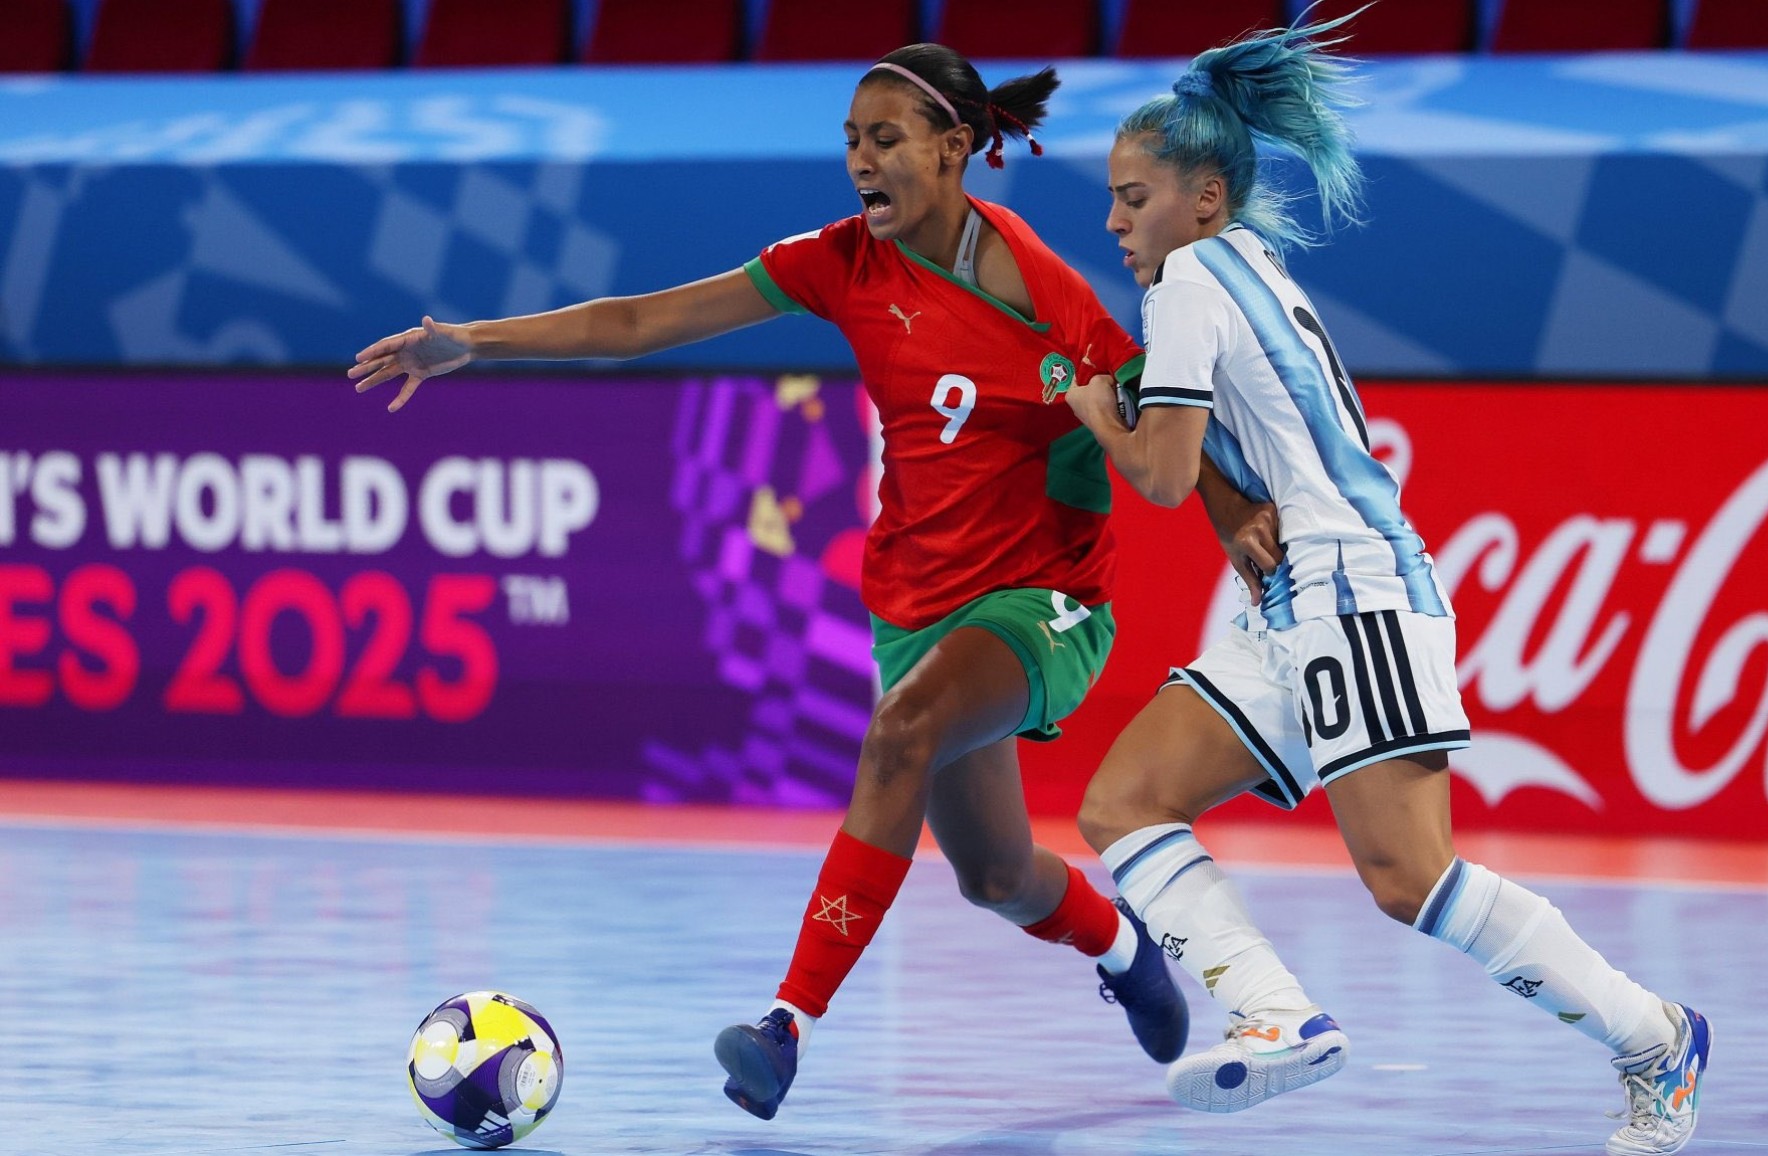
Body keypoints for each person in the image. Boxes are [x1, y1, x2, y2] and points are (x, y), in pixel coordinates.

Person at [349, 44, 1189, 1121]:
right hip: (917, 599)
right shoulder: (839, 262)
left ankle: (786, 1024)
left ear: (954, 148)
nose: (860, 162)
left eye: (884, 140)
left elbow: (1161, 426)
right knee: (994, 872)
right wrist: (475, 339)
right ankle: (1123, 944)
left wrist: (1243, 513)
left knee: (900, 730)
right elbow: (642, 320)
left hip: (1048, 596)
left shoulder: (1047, 291)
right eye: (850, 141)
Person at [1060, 16, 1710, 1154]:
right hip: (1294, 602)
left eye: (1134, 197)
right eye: (1111, 199)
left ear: (1205, 196)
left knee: (1410, 877)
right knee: (1122, 803)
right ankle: (1275, 1014)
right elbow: (1217, 458)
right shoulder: (1242, 264)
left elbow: (1160, 475)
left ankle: (1656, 1037)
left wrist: (1089, 408)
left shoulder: (1190, 279)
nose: (1113, 222)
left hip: (1351, 593)